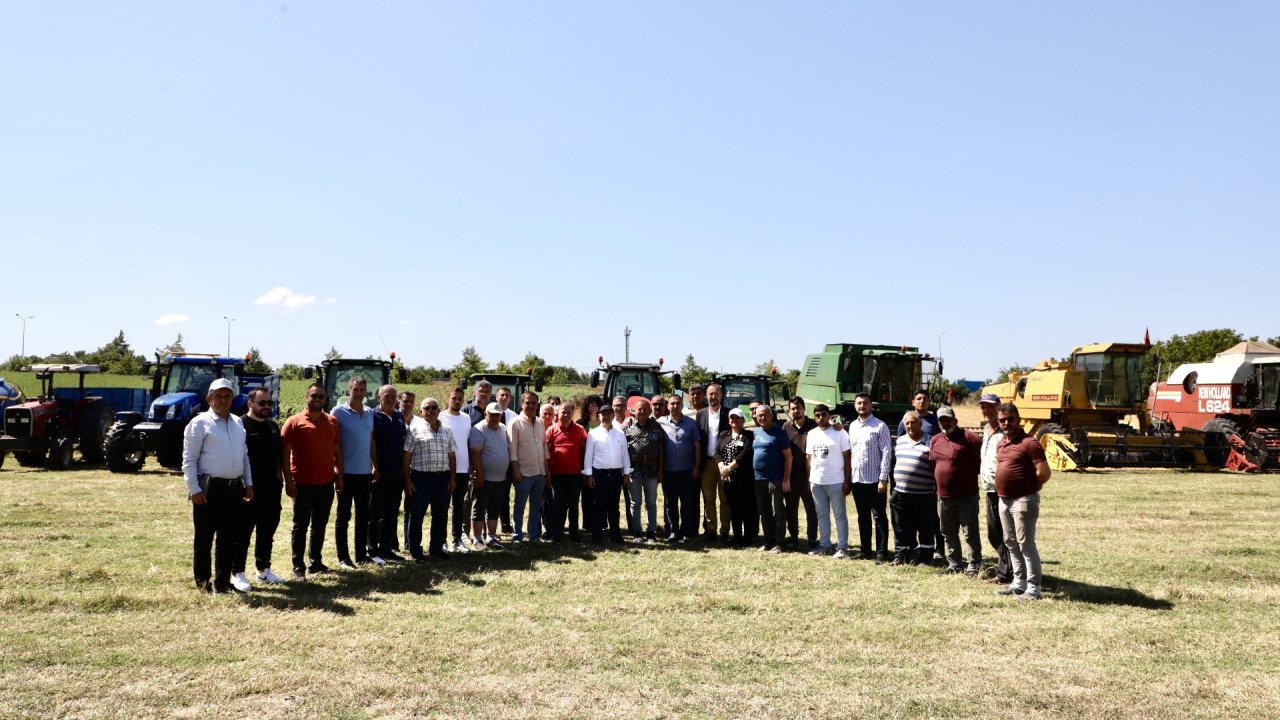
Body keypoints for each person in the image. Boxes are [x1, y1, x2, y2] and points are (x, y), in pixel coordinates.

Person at [183, 377, 254, 593]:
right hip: (208, 488)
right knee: (204, 538)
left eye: (227, 396)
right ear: (209, 398)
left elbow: (244, 457)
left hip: (234, 488)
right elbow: (189, 460)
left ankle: (222, 583)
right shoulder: (199, 423)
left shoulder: (238, 422)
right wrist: (194, 489)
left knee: (228, 538)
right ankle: (203, 584)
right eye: (218, 396)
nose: (223, 400)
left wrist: (248, 483)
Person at [281, 383, 342, 580]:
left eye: (321, 397)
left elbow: (336, 451)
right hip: (302, 484)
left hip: (325, 484)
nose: (317, 400)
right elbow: (285, 453)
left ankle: (315, 561)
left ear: (325, 399)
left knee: (320, 525)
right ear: (306, 397)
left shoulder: (332, 421)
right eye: (314, 396)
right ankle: (298, 565)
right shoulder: (293, 422)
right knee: (300, 525)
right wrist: (288, 481)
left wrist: (339, 475)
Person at [995, 403, 1051, 600]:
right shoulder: (1001, 443)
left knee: (1026, 544)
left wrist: (1031, 487)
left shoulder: (1030, 443)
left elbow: (1044, 472)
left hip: (1023, 500)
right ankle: (1019, 583)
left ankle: (1034, 588)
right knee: (1011, 543)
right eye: (1002, 420)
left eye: (1010, 419)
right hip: (1004, 500)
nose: (1006, 423)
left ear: (1018, 420)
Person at [238, 386, 284, 584]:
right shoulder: (240, 425)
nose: (266, 406)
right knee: (243, 533)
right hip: (248, 489)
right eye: (262, 403)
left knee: (267, 532)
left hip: (271, 490)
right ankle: (237, 572)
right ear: (250, 404)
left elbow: (278, 457)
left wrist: (281, 481)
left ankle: (263, 570)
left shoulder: (273, 427)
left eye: (269, 403)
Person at [332, 376, 379, 568]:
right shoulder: (338, 412)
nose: (359, 393)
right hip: (346, 473)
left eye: (362, 390)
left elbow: (371, 440)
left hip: (364, 473)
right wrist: (338, 472)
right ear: (348, 391)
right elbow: (334, 443)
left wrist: (375, 465)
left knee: (363, 515)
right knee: (344, 516)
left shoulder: (369, 413)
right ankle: (343, 557)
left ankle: (361, 555)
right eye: (355, 389)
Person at [932, 406, 983, 577]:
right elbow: (934, 463)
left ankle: (973, 565)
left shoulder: (970, 438)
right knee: (948, 532)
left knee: (970, 533)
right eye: (941, 420)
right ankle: (955, 564)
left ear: (955, 420)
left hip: (966, 496)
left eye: (948, 419)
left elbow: (979, 464)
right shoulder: (935, 440)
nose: (945, 423)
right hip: (944, 497)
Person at [403, 398, 457, 561]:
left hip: (442, 478)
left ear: (439, 410)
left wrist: (452, 478)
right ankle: (415, 549)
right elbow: (406, 456)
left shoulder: (447, 430)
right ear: (421, 412)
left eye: (434, 407)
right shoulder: (414, 430)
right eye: (427, 408)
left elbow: (452, 455)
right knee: (417, 515)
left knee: (440, 515)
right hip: (420, 478)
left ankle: (437, 548)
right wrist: (407, 480)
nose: (431, 410)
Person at [848, 392, 892, 562]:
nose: (862, 406)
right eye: (859, 403)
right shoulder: (852, 426)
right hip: (857, 480)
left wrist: (883, 479)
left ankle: (881, 552)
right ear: (855, 406)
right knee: (862, 517)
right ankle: (865, 550)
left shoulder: (880, 426)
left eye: (865, 403)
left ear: (870, 405)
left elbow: (887, 453)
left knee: (879, 517)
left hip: (875, 480)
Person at [804, 404, 852, 558]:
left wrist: (846, 481)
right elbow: (809, 458)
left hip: (836, 480)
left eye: (823, 414)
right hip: (816, 481)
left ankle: (842, 547)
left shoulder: (840, 432)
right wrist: (809, 479)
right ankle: (825, 545)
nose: (820, 418)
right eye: (817, 415)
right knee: (822, 515)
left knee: (839, 514)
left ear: (829, 415)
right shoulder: (811, 434)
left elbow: (847, 457)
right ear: (814, 417)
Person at [889, 411, 937, 566]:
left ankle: (925, 557)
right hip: (901, 493)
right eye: (907, 423)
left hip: (924, 493)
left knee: (925, 527)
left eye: (913, 422)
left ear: (921, 424)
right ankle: (901, 556)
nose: (910, 426)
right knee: (901, 526)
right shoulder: (900, 441)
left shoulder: (931, 442)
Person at [583, 404, 630, 544]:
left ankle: (615, 534)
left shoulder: (620, 434)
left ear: (612, 416)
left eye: (609, 414)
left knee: (614, 506)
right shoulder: (593, 434)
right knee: (599, 505)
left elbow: (624, 455)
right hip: (599, 474)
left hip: (616, 474)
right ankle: (596, 535)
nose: (606, 417)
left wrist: (626, 473)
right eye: (603, 414)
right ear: (599, 416)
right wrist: (589, 475)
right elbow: (588, 456)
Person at [978, 393, 1012, 584]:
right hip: (989, 488)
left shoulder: (1006, 430)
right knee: (994, 532)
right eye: (983, 407)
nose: (986, 410)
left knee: (1007, 533)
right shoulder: (986, 430)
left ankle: (1006, 573)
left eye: (990, 406)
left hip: (1003, 489)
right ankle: (1007, 570)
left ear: (998, 407)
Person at [507, 391, 549, 545]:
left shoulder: (540, 422)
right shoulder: (515, 423)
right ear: (522, 404)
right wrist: (516, 471)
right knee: (519, 507)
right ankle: (517, 535)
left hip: (539, 473)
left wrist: (546, 472)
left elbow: (544, 448)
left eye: (533, 403)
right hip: (523, 473)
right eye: (527, 403)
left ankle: (534, 535)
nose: (531, 406)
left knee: (536, 507)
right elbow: (512, 450)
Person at [371, 384, 407, 562]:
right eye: (387, 396)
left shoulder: (399, 416)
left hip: (396, 472)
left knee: (391, 512)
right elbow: (370, 444)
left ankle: (386, 548)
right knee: (375, 511)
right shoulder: (372, 416)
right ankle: (372, 549)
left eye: (394, 396)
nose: (391, 399)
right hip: (379, 472)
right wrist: (374, 466)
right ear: (379, 398)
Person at [658, 393, 700, 542]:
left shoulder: (691, 423)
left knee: (687, 503)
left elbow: (697, 445)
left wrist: (696, 467)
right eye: (672, 403)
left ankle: (686, 531)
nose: (675, 406)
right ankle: (673, 531)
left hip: (687, 470)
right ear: (667, 406)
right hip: (668, 471)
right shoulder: (660, 422)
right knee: (671, 503)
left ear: (682, 406)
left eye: (678, 403)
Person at [751, 403, 792, 553]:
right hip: (758, 479)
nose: (762, 417)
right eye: (759, 415)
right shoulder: (756, 432)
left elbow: (788, 456)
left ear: (771, 415)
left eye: (765, 414)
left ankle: (779, 543)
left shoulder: (779, 433)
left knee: (778, 512)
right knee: (764, 511)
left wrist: (786, 479)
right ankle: (768, 541)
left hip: (774, 478)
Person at [468, 402, 510, 549]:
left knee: (494, 510)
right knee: (479, 509)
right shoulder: (478, 429)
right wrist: (479, 475)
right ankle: (477, 539)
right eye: (491, 414)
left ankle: (491, 537)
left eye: (497, 414)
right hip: (484, 478)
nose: (494, 417)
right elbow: (475, 454)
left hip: (500, 478)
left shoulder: (504, 428)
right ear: (486, 414)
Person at [624, 398, 664, 542]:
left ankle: (651, 532)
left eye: (645, 409)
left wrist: (660, 470)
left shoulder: (656, 426)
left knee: (651, 502)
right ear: (633, 411)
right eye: (639, 409)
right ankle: (637, 532)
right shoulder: (627, 427)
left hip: (652, 472)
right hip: (634, 472)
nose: (642, 411)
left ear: (650, 411)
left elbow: (660, 449)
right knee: (635, 503)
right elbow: (623, 451)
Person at [546, 402, 587, 543]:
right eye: (563, 412)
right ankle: (556, 535)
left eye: (569, 412)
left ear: (573, 413)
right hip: (557, 475)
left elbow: (585, 449)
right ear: (558, 414)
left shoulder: (580, 429)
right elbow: (547, 452)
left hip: (575, 475)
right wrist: (548, 473)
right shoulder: (551, 430)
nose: (566, 415)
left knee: (574, 506)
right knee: (558, 506)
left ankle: (574, 535)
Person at [441, 387, 475, 553]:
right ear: (448, 399)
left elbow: (467, 443)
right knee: (443, 506)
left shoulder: (466, 418)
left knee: (459, 506)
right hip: (445, 469)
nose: (457, 401)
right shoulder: (440, 416)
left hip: (463, 469)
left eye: (460, 398)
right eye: (454, 398)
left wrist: (470, 466)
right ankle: (441, 540)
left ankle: (457, 539)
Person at [782, 397, 819, 551]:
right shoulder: (786, 427)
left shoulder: (814, 425)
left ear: (804, 409)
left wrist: (837, 426)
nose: (796, 411)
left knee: (812, 509)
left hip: (810, 476)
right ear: (790, 411)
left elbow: (832, 427)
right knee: (791, 509)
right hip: (791, 475)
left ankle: (812, 539)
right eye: (793, 409)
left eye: (798, 408)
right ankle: (794, 538)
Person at [697, 383, 732, 542]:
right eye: (710, 394)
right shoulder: (701, 413)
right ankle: (711, 530)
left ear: (721, 395)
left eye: (716, 394)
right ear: (706, 396)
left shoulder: (729, 414)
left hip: (725, 464)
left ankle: (725, 531)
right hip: (707, 463)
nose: (713, 397)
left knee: (725, 499)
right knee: (708, 498)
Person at [716, 408, 756, 547]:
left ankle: (748, 537)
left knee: (746, 507)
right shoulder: (723, 435)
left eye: (737, 418)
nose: (734, 420)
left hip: (743, 478)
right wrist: (722, 467)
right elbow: (717, 453)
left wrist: (729, 468)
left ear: (743, 420)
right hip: (727, 479)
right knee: (733, 508)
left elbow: (745, 454)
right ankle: (737, 536)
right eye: (732, 418)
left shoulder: (748, 435)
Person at [576, 395, 604, 537]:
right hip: (585, 463)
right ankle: (587, 524)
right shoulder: (581, 423)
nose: (593, 406)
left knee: (600, 495)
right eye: (590, 404)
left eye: (596, 404)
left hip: (601, 463)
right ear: (586, 407)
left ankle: (601, 524)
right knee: (586, 495)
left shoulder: (603, 421)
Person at [394, 390, 416, 553]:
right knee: (392, 508)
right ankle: (391, 543)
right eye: (405, 401)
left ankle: (409, 543)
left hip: (413, 470)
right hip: (395, 470)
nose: (408, 404)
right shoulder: (394, 419)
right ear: (399, 402)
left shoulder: (419, 422)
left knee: (410, 507)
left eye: (411, 402)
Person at [495, 386, 518, 533]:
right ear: (496, 397)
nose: (504, 398)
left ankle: (505, 524)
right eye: (501, 395)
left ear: (510, 398)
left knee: (505, 494)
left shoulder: (514, 416)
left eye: (507, 395)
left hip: (509, 461)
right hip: (494, 460)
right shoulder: (490, 414)